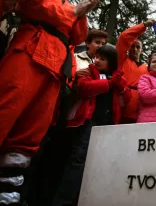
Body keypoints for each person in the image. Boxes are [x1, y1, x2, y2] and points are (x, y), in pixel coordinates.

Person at [0, 0, 99, 205]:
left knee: (30, 134)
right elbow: (26, 0)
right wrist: (73, 12)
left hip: (55, 66)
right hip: (28, 51)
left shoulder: (69, 2)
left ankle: (4, 197)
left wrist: (81, 13)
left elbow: (77, 36)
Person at [50, 45, 130, 206]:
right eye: (97, 57)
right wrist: (108, 83)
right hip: (88, 124)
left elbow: (126, 99)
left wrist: (120, 85)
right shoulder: (88, 71)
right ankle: (63, 202)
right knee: (77, 161)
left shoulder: (117, 76)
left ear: (112, 61)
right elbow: (84, 89)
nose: (97, 60)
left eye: (103, 58)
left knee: (100, 163)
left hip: (108, 126)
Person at [115, 20, 154, 124]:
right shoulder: (122, 60)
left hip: (141, 110)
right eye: (132, 46)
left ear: (141, 50)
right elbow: (123, 37)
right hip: (122, 104)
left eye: (138, 47)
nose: (135, 49)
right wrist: (144, 25)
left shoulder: (147, 68)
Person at [136, 51, 156, 123]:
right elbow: (145, 95)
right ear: (149, 66)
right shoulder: (145, 78)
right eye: (154, 61)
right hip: (148, 122)